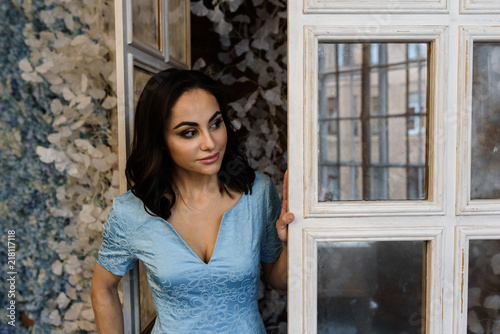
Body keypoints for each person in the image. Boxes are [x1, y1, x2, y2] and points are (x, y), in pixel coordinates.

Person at [90, 68, 294, 333]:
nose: (210, 143)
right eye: (189, 132)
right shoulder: (131, 212)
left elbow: (280, 284)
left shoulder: (258, 192)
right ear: (161, 140)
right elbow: (102, 289)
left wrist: (291, 244)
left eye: (215, 123)